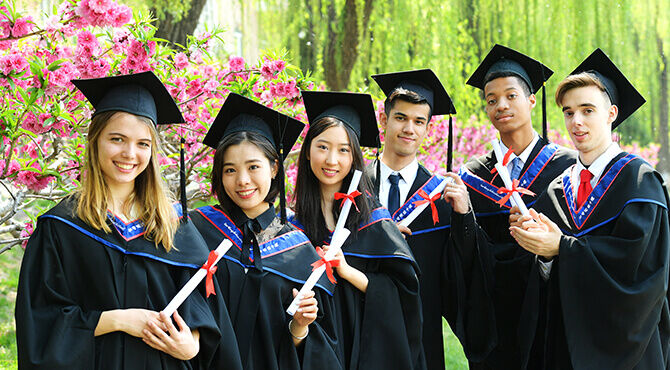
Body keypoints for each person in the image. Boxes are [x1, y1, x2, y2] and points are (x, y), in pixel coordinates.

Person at [15, 71, 242, 370]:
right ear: (95, 140)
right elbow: (40, 320)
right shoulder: (63, 226)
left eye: (143, 144)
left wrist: (193, 343)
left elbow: (201, 305)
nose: (129, 154)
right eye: (117, 139)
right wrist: (117, 320)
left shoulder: (173, 224)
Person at [509, 48, 670, 369]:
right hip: (565, 343)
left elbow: (637, 268)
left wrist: (562, 248)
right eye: (568, 112)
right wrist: (539, 249)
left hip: (626, 349)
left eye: (587, 110)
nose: (576, 121)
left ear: (611, 113)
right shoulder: (557, 189)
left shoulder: (639, 182)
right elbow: (540, 278)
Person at [189, 93, 341, 370]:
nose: (242, 180)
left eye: (253, 167)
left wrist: (300, 327)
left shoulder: (297, 250)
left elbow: (319, 350)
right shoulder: (198, 230)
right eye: (230, 170)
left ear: (273, 168)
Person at [459, 44, 576, 369]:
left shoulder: (568, 166)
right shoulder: (474, 175)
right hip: (494, 311)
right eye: (491, 100)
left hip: (550, 307)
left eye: (511, 96)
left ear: (531, 100)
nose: (501, 105)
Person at [368, 69, 495, 368]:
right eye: (401, 118)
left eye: (419, 121)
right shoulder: (355, 189)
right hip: (363, 323)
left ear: (427, 129)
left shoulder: (439, 196)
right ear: (384, 120)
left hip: (420, 329)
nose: (409, 128)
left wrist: (464, 216)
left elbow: (460, 271)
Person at [290, 90, 426, 370]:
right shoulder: (289, 228)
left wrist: (347, 270)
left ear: (354, 158)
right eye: (322, 147)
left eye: (343, 150)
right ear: (307, 153)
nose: (331, 160)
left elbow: (405, 296)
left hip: (368, 352)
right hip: (313, 354)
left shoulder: (374, 222)